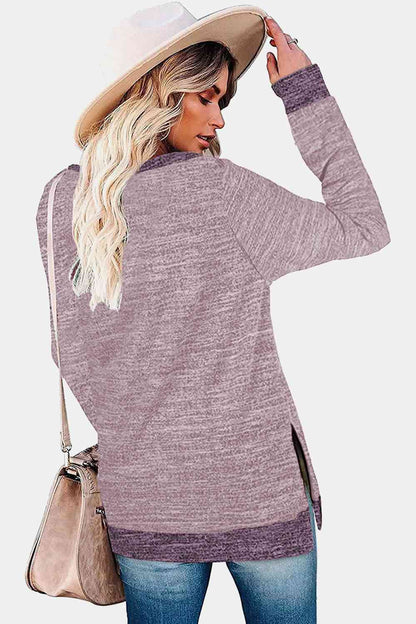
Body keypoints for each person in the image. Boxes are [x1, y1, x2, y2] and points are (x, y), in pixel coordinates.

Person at [34, 3, 391, 623]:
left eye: (222, 101)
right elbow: (365, 226)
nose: (219, 118)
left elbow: (72, 353)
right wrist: (304, 94)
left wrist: (150, 444)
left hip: (145, 503)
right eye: (206, 97)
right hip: (259, 496)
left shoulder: (62, 202)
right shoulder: (220, 192)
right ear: (158, 94)